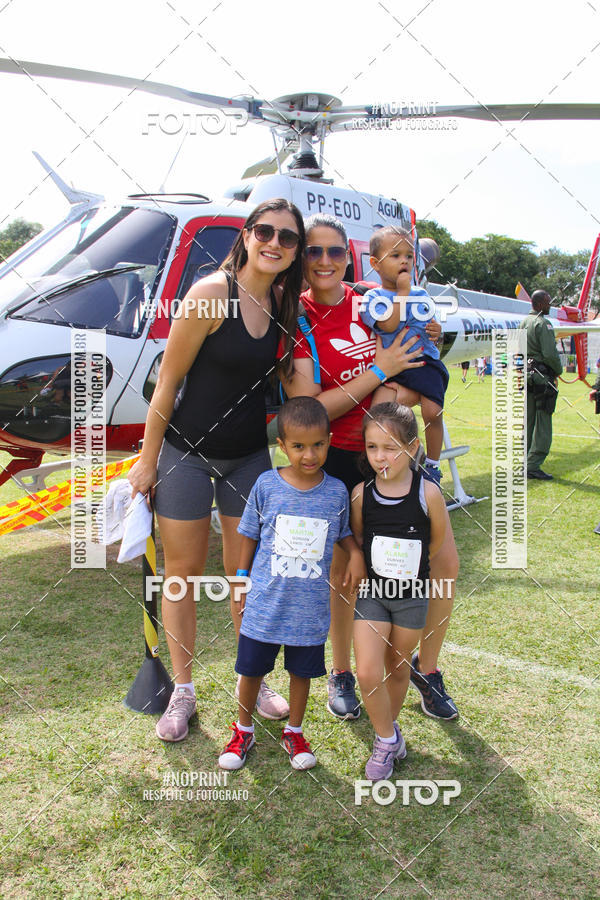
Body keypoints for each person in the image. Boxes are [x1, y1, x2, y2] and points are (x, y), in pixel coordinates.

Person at [127, 198, 306, 741]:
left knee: (245, 576)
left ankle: (252, 680)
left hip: (249, 457)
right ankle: (182, 692)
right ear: (247, 236)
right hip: (186, 453)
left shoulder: (283, 304)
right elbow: (168, 382)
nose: (274, 243)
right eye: (265, 232)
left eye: (287, 238)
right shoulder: (210, 294)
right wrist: (147, 459)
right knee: (181, 577)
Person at [280, 213, 459, 722]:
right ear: (300, 258)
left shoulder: (369, 299)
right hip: (340, 458)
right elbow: (310, 410)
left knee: (442, 565)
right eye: (313, 251)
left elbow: (414, 334)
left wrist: (427, 329)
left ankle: (428, 668)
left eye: (335, 251)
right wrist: (382, 371)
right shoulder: (296, 319)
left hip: (394, 452)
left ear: (350, 258)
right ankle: (341, 673)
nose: (324, 261)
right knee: (346, 570)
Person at [218, 397, 365, 771]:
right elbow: (248, 535)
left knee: (302, 673)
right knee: (251, 670)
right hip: (266, 603)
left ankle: (295, 731)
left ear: (329, 441)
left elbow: (344, 533)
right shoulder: (267, 485)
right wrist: (239, 580)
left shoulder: (334, 492)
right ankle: (243, 728)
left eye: (318, 444)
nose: (309, 454)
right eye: (298, 446)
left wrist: (357, 554)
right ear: (282, 446)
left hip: (310, 609)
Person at [351, 403, 447, 778]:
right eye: (372, 447)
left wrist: (411, 571)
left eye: (390, 447)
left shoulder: (429, 494)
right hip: (373, 594)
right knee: (368, 672)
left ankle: (387, 735)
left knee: (397, 667)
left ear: (412, 448)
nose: (380, 457)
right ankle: (387, 738)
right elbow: (360, 536)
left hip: (412, 598)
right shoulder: (361, 493)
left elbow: (435, 543)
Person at [359, 226, 449, 486]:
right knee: (377, 414)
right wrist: (401, 295)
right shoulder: (373, 296)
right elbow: (387, 325)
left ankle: (432, 464)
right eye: (395, 255)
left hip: (425, 362)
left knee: (433, 412)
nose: (404, 261)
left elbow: (430, 324)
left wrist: (436, 329)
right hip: (394, 368)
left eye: (409, 256)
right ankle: (378, 462)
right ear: (375, 264)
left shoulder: (421, 293)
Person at [519, 289, 563, 480]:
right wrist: (558, 371)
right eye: (547, 302)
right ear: (538, 304)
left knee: (528, 421)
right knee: (543, 422)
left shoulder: (524, 322)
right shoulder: (542, 324)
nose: (550, 305)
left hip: (528, 376)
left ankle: (523, 461)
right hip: (542, 378)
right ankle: (533, 464)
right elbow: (550, 354)